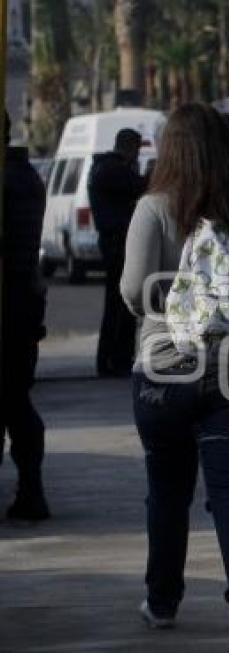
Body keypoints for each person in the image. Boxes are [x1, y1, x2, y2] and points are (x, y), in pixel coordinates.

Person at [120, 103, 229, 646]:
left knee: (166, 493)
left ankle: (162, 602)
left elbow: (132, 289)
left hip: (164, 371)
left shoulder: (153, 208)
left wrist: (176, 312)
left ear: (171, 149)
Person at [1, 111, 50, 521]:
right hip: (23, 305)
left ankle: (31, 489)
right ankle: (31, 487)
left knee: (14, 401)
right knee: (17, 399)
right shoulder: (26, 175)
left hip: (11, 303)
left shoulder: (9, 180)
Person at [88, 128, 148, 377]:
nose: (137, 155)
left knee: (119, 305)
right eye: (136, 150)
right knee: (119, 305)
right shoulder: (112, 169)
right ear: (129, 147)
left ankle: (116, 358)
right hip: (116, 243)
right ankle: (115, 359)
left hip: (115, 242)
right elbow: (139, 186)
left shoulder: (107, 168)